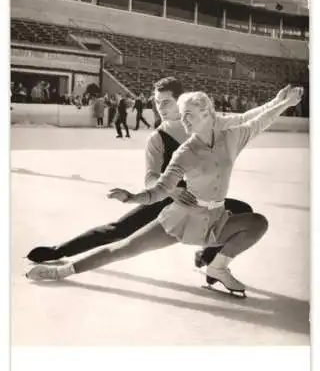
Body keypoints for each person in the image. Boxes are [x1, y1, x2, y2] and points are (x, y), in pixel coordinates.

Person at [26, 84, 303, 294]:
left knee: (255, 221)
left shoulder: (229, 134)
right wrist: (133, 197)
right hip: (178, 213)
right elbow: (156, 185)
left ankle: (216, 266)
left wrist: (282, 102)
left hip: (214, 217)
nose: (181, 118)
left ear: (208, 113)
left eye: (183, 112)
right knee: (123, 242)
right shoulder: (173, 146)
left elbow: (255, 120)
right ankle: (61, 267)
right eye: (178, 113)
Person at [26, 77, 252, 265]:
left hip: (203, 202)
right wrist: (172, 192)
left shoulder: (206, 127)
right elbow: (150, 178)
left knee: (243, 212)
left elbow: (245, 122)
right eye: (157, 102)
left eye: (166, 102)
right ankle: (58, 251)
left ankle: (207, 257)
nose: (159, 108)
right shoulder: (158, 138)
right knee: (118, 230)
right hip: (167, 199)